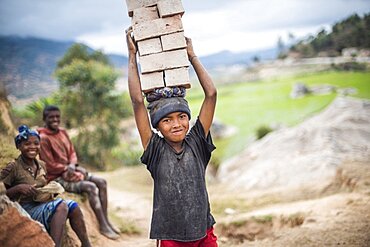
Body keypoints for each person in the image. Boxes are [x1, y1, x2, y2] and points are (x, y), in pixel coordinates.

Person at [126, 27, 218, 247]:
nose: (177, 124)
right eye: (167, 120)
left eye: (182, 117)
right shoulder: (155, 150)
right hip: (171, 237)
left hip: (204, 230)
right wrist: (132, 56)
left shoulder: (197, 142)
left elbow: (211, 94)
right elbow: (138, 102)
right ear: (157, 125)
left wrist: (192, 55)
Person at [0, 125, 92, 247]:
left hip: (41, 204)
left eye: (36, 143)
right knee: (62, 205)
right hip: (24, 209)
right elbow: (2, 195)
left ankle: (86, 245)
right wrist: (18, 188)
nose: (32, 147)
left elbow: (44, 185)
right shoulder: (13, 167)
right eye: (27, 144)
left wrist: (49, 191)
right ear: (19, 146)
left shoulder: (42, 165)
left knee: (73, 207)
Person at [37, 105, 120, 240]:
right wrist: (66, 168)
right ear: (44, 119)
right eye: (51, 117)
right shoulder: (43, 138)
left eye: (57, 117)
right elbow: (49, 165)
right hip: (57, 177)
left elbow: (72, 152)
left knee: (102, 182)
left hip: (71, 169)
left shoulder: (62, 132)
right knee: (91, 187)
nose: (55, 120)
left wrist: (72, 165)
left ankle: (106, 221)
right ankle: (103, 226)